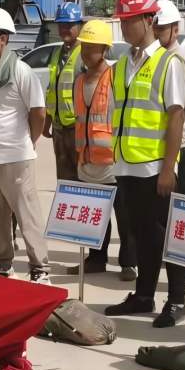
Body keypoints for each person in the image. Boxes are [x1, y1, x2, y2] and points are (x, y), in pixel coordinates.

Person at [105, 0, 185, 325]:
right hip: (127, 165)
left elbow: (176, 116)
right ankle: (143, 296)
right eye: (122, 21)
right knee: (141, 236)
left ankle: (177, 300)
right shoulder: (122, 64)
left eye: (131, 20)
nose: (125, 27)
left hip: (155, 168)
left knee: (168, 236)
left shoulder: (169, 63)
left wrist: (169, 168)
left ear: (150, 20)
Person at [0, 6, 51, 283]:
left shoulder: (21, 71)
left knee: (27, 215)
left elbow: (38, 112)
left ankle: (40, 267)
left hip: (16, 156)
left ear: (2, 38)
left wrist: (29, 141)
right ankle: (2, 262)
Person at [72, 19, 135, 276]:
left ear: (105, 49)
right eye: (84, 47)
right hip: (87, 160)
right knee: (94, 216)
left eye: (92, 47)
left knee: (125, 216)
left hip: (112, 161)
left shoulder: (116, 77)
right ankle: (96, 259)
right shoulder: (79, 81)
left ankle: (129, 262)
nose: (86, 53)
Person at [154, 0, 185, 316]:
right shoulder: (155, 58)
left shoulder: (183, 59)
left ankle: (178, 294)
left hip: (179, 146)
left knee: (177, 220)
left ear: (175, 28)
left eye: (163, 27)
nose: (159, 32)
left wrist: (179, 128)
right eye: (156, 26)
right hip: (156, 148)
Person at [42, 2, 84, 183]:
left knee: (81, 177)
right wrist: (47, 120)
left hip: (77, 128)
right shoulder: (57, 53)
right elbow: (52, 89)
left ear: (79, 25)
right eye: (61, 25)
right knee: (64, 178)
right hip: (59, 128)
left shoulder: (85, 53)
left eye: (69, 25)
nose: (64, 29)